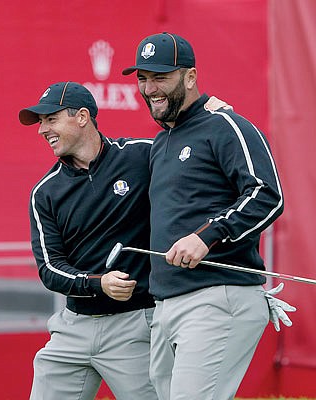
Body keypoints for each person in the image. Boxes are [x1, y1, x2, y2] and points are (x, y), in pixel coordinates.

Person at [122, 32, 293, 399]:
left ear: (190, 76)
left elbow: (267, 195)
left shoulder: (225, 125)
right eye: (142, 78)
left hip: (217, 298)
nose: (150, 88)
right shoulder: (161, 142)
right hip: (167, 304)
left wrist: (207, 235)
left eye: (161, 77)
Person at [19, 81, 158, 400]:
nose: (42, 130)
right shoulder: (46, 193)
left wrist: (211, 115)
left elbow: (190, 161)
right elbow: (50, 269)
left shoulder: (142, 156)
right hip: (73, 327)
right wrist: (99, 283)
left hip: (136, 326)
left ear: (82, 116)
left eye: (50, 119)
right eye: (41, 122)